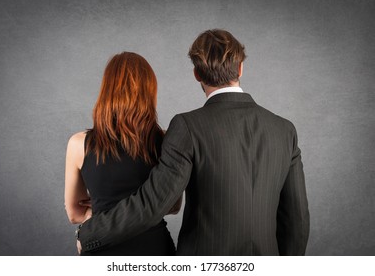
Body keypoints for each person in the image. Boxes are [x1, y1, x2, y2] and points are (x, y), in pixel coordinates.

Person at [77, 29, 310, 255]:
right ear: (240, 68)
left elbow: (153, 204)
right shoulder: (284, 130)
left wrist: (88, 235)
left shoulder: (187, 127)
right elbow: (296, 221)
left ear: (196, 74)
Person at [64, 52, 180, 255]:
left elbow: (74, 214)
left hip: (101, 248)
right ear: (149, 90)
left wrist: (101, 209)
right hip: (154, 249)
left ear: (106, 90)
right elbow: (172, 206)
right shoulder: (167, 140)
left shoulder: (78, 143)